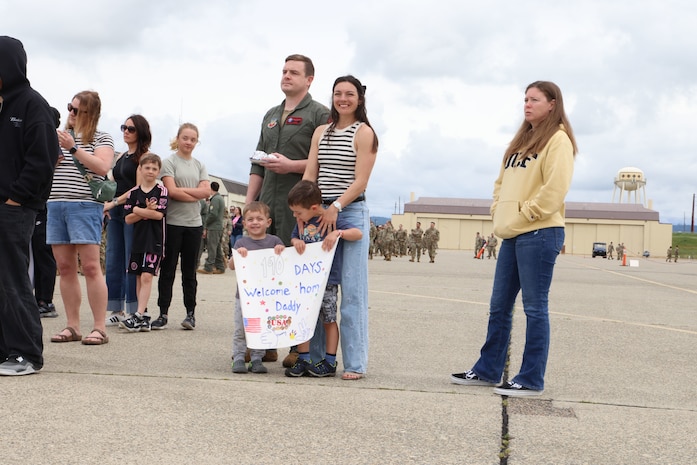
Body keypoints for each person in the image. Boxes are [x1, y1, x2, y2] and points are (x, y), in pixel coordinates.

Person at [451, 81, 577, 397]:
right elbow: (500, 183)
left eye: (534, 99)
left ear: (552, 104)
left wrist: (524, 214)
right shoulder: (520, 142)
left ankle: (531, 378)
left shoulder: (558, 140)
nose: (527, 104)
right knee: (499, 306)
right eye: (525, 99)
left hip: (540, 232)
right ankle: (487, 370)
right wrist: (500, 212)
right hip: (512, 234)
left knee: (535, 308)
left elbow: (555, 190)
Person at [246, 54, 330, 368]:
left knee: (295, 278)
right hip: (266, 202)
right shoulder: (270, 114)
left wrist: (290, 165)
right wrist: (249, 206)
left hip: (298, 207)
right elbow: (256, 162)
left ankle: (297, 347)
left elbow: (323, 159)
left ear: (309, 79)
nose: (286, 76)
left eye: (294, 72)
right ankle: (265, 345)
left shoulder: (319, 114)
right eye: (284, 71)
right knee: (263, 275)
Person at [303, 75, 379, 380]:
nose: (343, 99)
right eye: (338, 93)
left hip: (350, 211)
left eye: (349, 94)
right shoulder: (321, 132)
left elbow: (361, 180)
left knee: (353, 291)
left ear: (359, 99)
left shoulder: (365, 133)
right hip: (319, 211)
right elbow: (311, 171)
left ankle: (356, 363)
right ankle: (319, 359)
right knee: (319, 288)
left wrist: (336, 207)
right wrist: (303, 209)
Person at [0, 36, 59, 375]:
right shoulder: (2, 104)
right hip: (5, 206)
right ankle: (6, 349)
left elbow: (43, 158)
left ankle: (26, 354)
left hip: (17, 208)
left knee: (13, 280)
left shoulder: (32, 104)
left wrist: (16, 197)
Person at [49, 90, 115, 346]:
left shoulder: (101, 137)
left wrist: (73, 148)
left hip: (86, 206)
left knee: (90, 267)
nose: (71, 114)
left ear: (91, 114)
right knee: (65, 268)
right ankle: (72, 325)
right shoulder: (58, 137)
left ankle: (99, 327)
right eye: (70, 107)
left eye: (77, 110)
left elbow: (102, 167)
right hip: (56, 204)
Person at [284, 181, 362, 378]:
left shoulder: (331, 220)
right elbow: (293, 238)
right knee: (304, 318)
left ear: (313, 208)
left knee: (328, 319)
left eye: (298, 212)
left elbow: (358, 233)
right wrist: (296, 241)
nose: (296, 216)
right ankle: (304, 358)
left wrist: (338, 233)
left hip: (327, 280)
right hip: (305, 282)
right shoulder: (302, 223)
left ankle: (329, 361)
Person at [154, 123, 210, 331]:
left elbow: (206, 192)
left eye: (192, 139)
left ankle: (190, 313)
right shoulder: (169, 162)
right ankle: (163, 313)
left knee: (190, 272)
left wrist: (183, 191)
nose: (188, 142)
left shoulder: (199, 165)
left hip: (194, 225)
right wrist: (195, 192)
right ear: (178, 138)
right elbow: (171, 191)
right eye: (185, 138)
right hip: (172, 224)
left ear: (196, 142)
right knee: (167, 270)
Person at [104, 114, 152, 327]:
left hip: (131, 211)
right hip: (114, 211)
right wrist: (106, 201)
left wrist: (114, 202)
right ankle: (116, 307)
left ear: (140, 132)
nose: (125, 131)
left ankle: (134, 308)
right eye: (124, 127)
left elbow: (137, 189)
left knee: (130, 261)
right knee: (113, 257)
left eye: (131, 128)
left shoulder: (144, 157)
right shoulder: (121, 155)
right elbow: (112, 180)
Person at [229, 201, 285, 374]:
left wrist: (281, 249)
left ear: (268, 222)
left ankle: (257, 359)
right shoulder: (241, 243)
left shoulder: (274, 241)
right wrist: (237, 256)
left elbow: (284, 262)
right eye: (250, 219)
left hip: (265, 297)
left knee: (260, 327)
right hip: (244, 297)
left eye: (259, 219)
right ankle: (238, 357)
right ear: (244, 223)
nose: (255, 222)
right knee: (241, 329)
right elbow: (231, 266)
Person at [115, 153, 168, 332]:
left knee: (147, 275)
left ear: (158, 171)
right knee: (138, 276)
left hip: (154, 240)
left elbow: (158, 214)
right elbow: (128, 219)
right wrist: (143, 209)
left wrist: (138, 211)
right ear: (141, 169)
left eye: (154, 169)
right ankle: (143, 315)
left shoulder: (161, 190)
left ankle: (137, 315)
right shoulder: (134, 193)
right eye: (147, 168)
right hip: (138, 240)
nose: (150, 171)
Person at [32, 106, 61, 319]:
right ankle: (36, 298)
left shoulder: (54, 142)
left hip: (49, 204)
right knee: (36, 252)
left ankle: (46, 300)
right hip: (38, 204)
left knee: (44, 252)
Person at [199, 181, 226, 274]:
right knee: (217, 248)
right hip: (218, 227)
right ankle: (220, 267)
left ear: (211, 189)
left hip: (213, 227)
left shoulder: (215, 199)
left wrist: (205, 224)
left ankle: (208, 267)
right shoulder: (220, 198)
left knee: (212, 248)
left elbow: (213, 214)